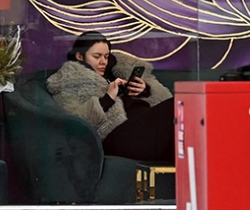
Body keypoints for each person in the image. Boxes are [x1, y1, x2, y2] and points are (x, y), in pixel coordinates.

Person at [46, 32, 175, 162]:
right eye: (96, 56)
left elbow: (158, 98)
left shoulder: (113, 73)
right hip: (114, 138)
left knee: (178, 121)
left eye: (106, 57)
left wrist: (143, 91)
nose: (103, 62)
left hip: (140, 130)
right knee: (175, 106)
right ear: (79, 56)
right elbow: (74, 124)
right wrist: (108, 98)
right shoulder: (69, 81)